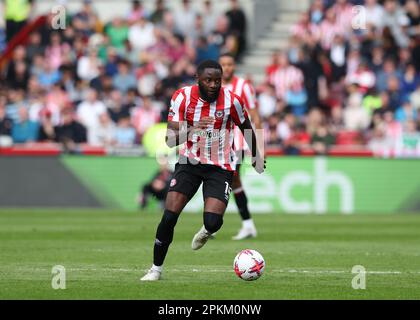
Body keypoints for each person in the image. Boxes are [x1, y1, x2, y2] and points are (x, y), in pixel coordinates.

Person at [140, 60, 265, 281]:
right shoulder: (182, 97)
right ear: (198, 78)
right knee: (169, 217)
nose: (214, 84)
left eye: (217, 80)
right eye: (208, 80)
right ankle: (155, 269)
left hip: (220, 166)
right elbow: (170, 140)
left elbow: (246, 126)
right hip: (190, 163)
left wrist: (256, 155)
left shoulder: (232, 101)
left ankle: (206, 231)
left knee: (213, 223)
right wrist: (194, 127)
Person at [219, 53, 262, 240]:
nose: (227, 68)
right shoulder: (213, 87)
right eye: (224, 64)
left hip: (236, 143)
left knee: (232, 179)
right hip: (216, 143)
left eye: (230, 64)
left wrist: (257, 148)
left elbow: (255, 115)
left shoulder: (243, 86)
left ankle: (245, 224)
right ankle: (246, 225)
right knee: (229, 181)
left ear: (234, 65)